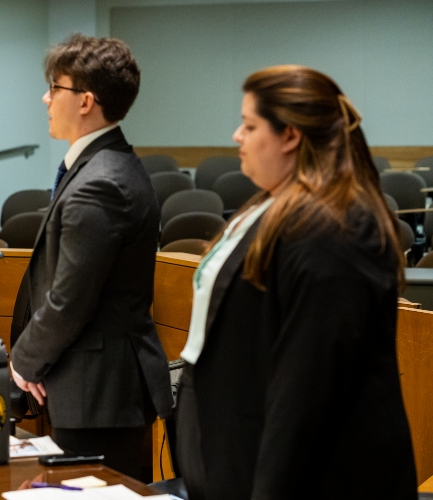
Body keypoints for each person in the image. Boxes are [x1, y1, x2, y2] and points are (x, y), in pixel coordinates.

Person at [175, 65, 417, 499]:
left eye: (249, 125)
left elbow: (306, 391)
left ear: (290, 135)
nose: (236, 136)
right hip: (241, 457)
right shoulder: (274, 204)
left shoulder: (335, 228)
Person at [10, 34, 173, 482]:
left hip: (99, 390)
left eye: (54, 87)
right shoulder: (102, 164)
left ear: (85, 101)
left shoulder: (101, 181)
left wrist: (23, 361)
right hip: (90, 384)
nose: (45, 98)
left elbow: (69, 298)